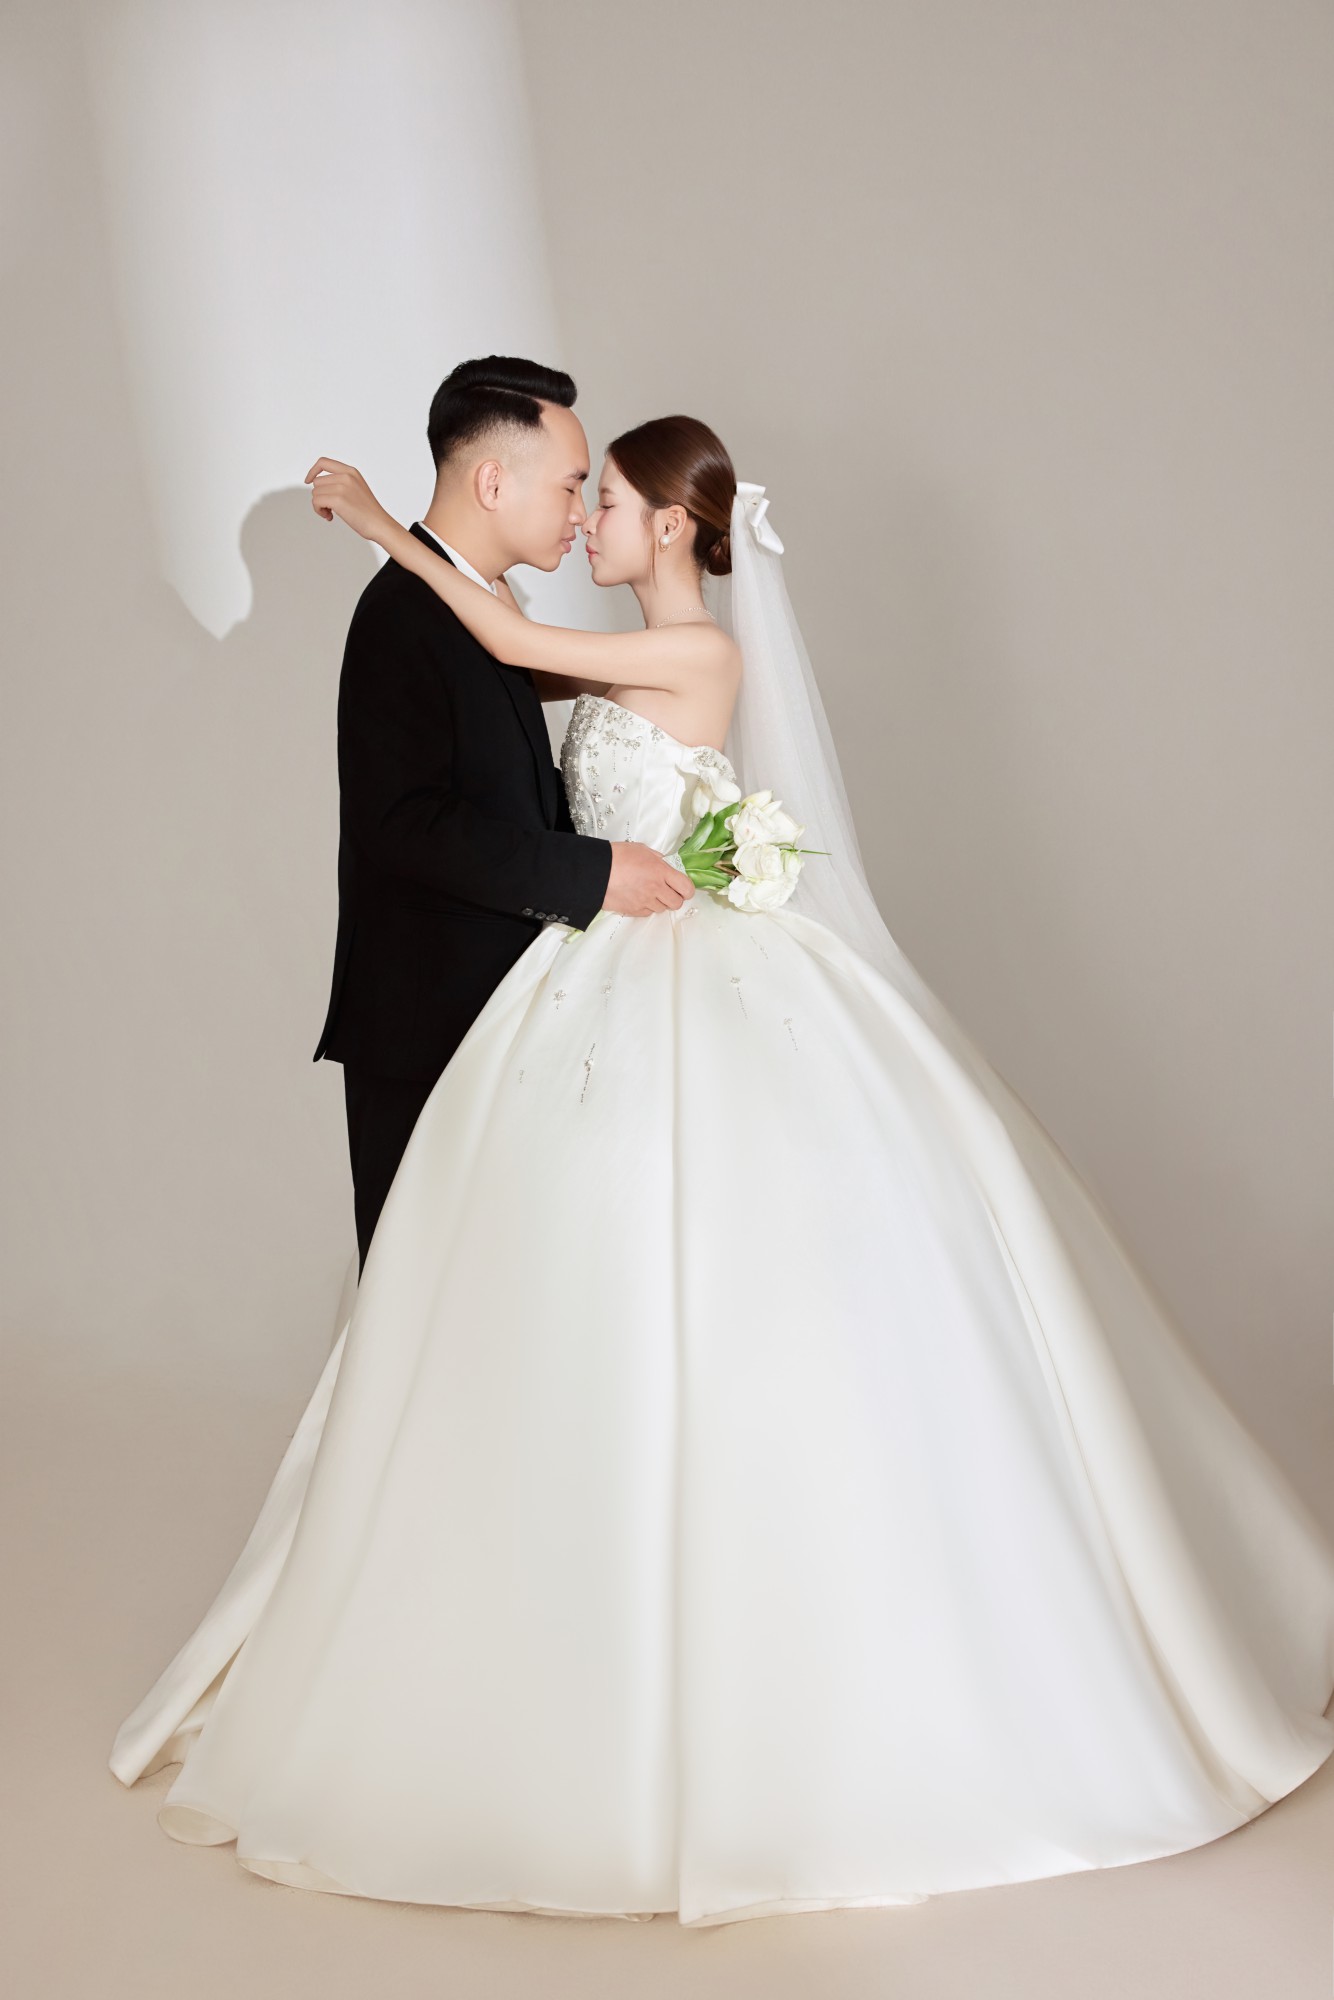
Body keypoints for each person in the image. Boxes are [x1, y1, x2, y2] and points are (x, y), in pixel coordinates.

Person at [109, 415, 1334, 1928]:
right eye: (580, 493)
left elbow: (505, 636)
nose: (588, 520)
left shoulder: (694, 655)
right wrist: (441, 577)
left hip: (681, 969)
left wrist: (379, 522)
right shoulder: (611, 655)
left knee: (735, 1283)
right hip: (596, 965)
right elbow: (502, 663)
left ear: (678, 531)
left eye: (609, 501)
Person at [310, 354, 694, 1271]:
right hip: (428, 1021)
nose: (580, 512)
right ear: (492, 481)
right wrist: (597, 871)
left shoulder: (487, 610)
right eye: (570, 485)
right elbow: (404, 825)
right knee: (424, 1293)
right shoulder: (402, 613)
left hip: (513, 1016)